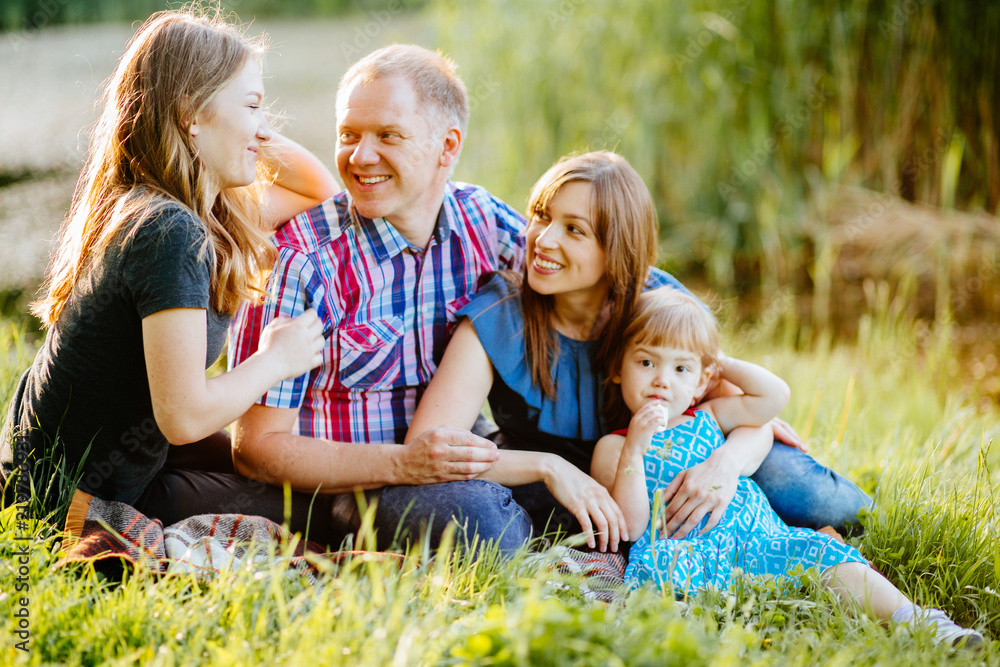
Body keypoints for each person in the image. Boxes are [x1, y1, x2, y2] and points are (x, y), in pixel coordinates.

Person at [407, 151, 872, 554]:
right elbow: (427, 445)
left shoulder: (658, 305)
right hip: (560, 476)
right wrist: (548, 468)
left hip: (672, 459)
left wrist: (724, 468)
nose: (543, 240)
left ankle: (789, 533)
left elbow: (751, 415)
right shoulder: (499, 315)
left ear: (617, 251)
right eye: (542, 216)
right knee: (551, 524)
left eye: (575, 230)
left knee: (827, 503)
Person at [0, 8, 337, 520]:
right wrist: (276, 360)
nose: (265, 126)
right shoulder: (166, 231)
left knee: (285, 474)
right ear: (192, 115)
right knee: (309, 512)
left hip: (109, 459)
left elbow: (321, 196)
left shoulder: (198, 214)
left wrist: (253, 134)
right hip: (72, 494)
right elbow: (184, 417)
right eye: (252, 106)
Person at [227, 44, 529, 552]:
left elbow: (604, 281)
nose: (360, 157)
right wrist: (404, 464)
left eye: (387, 135)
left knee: (600, 469)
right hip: (352, 489)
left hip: (460, 453)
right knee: (483, 524)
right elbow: (254, 448)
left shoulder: (481, 220)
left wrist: (706, 358)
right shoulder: (304, 259)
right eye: (348, 135)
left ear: (447, 147)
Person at [590, 287, 984, 649]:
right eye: (646, 362)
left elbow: (774, 395)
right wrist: (635, 452)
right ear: (618, 368)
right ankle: (693, 629)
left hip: (757, 535)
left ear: (701, 380)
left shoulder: (708, 415)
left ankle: (918, 620)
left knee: (826, 557)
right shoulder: (615, 447)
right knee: (662, 579)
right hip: (680, 549)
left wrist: (716, 361)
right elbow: (632, 526)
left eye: (680, 369)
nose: (662, 380)